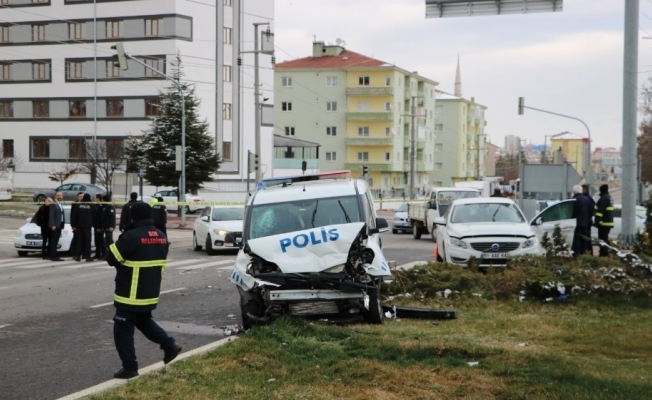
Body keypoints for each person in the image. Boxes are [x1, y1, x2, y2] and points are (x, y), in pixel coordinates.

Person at [106, 202, 182, 379]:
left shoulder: (131, 236)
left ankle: (130, 367)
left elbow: (111, 258)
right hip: (150, 292)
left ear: (132, 217)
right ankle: (169, 344)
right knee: (143, 321)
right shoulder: (161, 235)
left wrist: (111, 239)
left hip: (130, 293)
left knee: (122, 329)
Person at [571, 184, 592, 257]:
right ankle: (584, 254)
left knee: (576, 239)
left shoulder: (573, 200)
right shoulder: (586, 199)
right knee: (584, 240)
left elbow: (571, 212)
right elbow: (591, 211)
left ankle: (576, 254)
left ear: (574, 191)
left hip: (576, 223)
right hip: (585, 223)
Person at [72, 193, 94, 262]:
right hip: (87, 227)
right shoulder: (91, 205)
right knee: (87, 242)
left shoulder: (79, 205)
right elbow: (95, 215)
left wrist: (74, 225)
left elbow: (74, 215)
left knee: (79, 242)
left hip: (79, 226)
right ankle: (87, 256)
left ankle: (78, 256)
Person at [594, 184, 614, 257]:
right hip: (608, 222)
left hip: (604, 223)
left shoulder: (603, 198)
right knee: (605, 239)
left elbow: (600, 211)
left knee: (602, 240)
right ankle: (605, 253)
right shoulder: (609, 197)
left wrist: (596, 222)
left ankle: (604, 254)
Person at [48, 191, 65, 261]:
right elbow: (51, 215)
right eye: (58, 195)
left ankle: (54, 255)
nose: (59, 197)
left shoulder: (60, 203)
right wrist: (53, 225)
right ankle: (53, 256)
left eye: (60, 195)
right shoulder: (53, 204)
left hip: (60, 224)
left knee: (56, 241)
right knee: (54, 241)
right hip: (55, 225)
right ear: (55, 196)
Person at [70, 192, 85, 261]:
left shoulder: (86, 204)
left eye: (83, 196)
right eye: (80, 196)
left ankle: (82, 253)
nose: (82, 197)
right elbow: (73, 215)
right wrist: (73, 225)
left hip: (83, 225)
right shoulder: (75, 204)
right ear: (77, 197)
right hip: (77, 225)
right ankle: (74, 254)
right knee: (76, 240)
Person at [101, 193, 117, 260]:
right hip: (105, 226)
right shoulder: (105, 206)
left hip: (108, 227)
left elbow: (112, 217)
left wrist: (111, 226)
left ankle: (113, 254)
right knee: (106, 241)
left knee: (109, 241)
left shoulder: (110, 207)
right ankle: (107, 255)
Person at [581, 184, 596, 255]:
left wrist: (587, 218)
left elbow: (591, 211)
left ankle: (588, 252)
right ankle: (588, 252)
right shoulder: (588, 198)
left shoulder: (588, 199)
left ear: (585, 190)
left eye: (583, 189)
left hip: (587, 221)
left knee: (586, 238)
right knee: (586, 237)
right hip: (587, 221)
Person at [92, 193, 105, 259]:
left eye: (95, 198)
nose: (94, 199)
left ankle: (103, 254)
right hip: (96, 226)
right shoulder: (95, 206)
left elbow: (100, 218)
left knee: (101, 241)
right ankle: (98, 253)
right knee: (97, 241)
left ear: (98, 199)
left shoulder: (100, 207)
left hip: (99, 227)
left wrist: (100, 227)